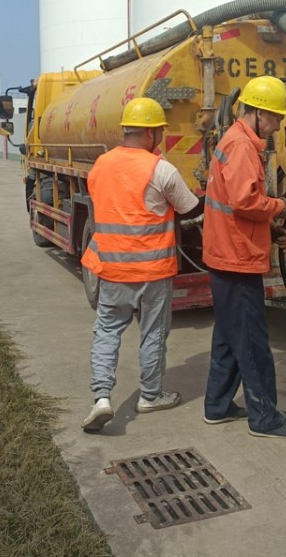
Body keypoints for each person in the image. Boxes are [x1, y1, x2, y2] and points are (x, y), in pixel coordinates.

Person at [80, 97, 199, 432]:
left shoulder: (101, 164)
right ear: (150, 133)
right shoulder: (161, 169)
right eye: (160, 131)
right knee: (153, 333)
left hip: (112, 269)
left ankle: (102, 397)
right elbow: (189, 207)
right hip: (152, 271)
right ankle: (150, 395)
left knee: (107, 331)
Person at [202, 75, 286, 439]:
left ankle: (217, 405)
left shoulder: (234, 140)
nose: (278, 125)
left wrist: (270, 230)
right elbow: (245, 201)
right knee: (252, 341)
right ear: (259, 113)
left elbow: (235, 206)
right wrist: (284, 207)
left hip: (227, 251)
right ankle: (264, 418)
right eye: (276, 117)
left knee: (229, 337)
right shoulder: (243, 146)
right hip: (237, 257)